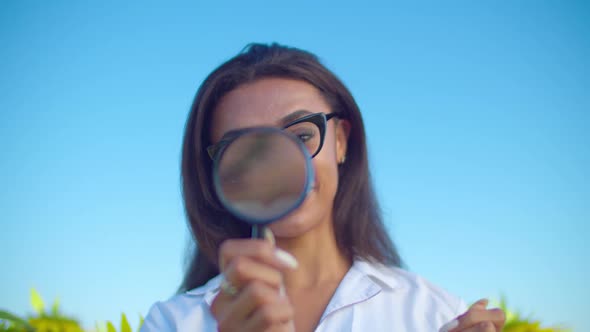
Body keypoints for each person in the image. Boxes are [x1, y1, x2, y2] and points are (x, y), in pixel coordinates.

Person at [141, 43, 505, 332]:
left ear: (341, 142)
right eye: (246, 151)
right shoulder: (171, 323)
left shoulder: (434, 316)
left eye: (301, 135)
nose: (280, 166)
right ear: (217, 173)